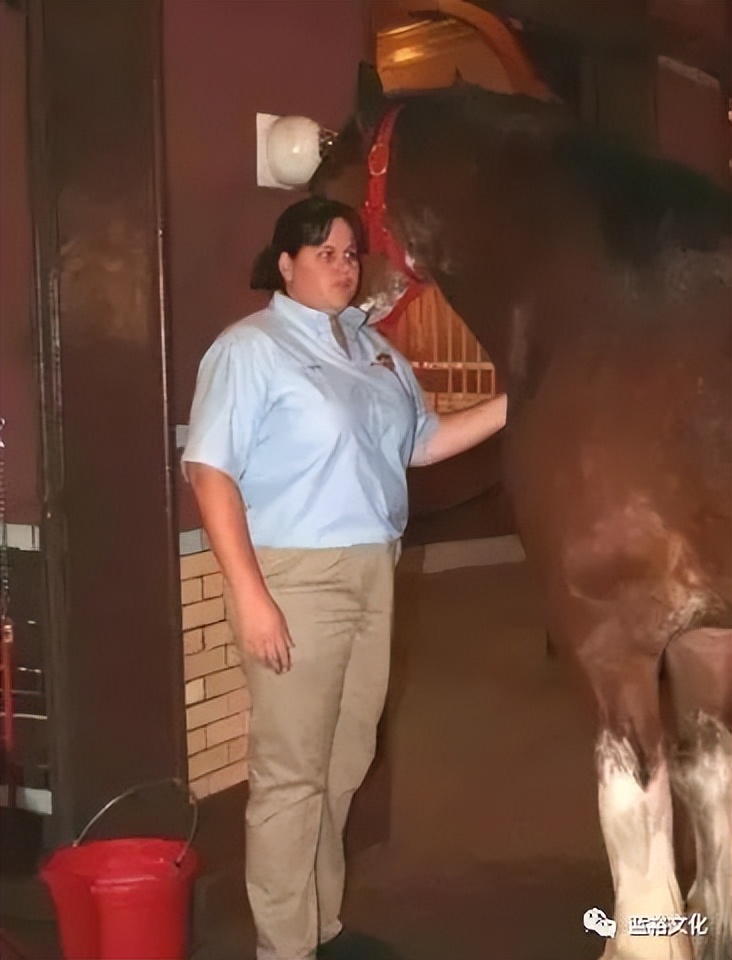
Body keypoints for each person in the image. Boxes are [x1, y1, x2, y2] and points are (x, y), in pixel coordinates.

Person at [182, 197, 507, 960]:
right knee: (291, 774)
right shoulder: (251, 349)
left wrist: (519, 402)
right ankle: (284, 948)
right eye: (322, 251)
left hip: (373, 570)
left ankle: (321, 927)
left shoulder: (375, 353)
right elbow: (210, 471)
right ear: (285, 264)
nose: (343, 263)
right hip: (295, 577)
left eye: (351, 251)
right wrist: (251, 595)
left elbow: (423, 445)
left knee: (345, 761)